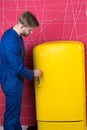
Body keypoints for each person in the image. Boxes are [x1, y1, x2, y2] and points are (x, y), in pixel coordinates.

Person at [0, 11, 41, 130]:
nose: (31, 32)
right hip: (11, 82)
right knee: (11, 117)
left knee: (15, 114)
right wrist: (33, 73)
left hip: (13, 80)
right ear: (21, 26)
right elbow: (17, 68)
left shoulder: (13, 34)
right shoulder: (10, 41)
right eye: (30, 30)